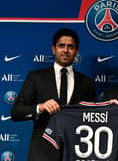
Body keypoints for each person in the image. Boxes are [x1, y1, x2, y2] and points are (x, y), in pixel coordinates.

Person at [11, 28, 96, 161]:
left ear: (76, 51)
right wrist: (40, 107)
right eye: (61, 46)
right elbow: (16, 112)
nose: (66, 50)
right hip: (42, 153)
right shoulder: (35, 78)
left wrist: (109, 107)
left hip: (76, 152)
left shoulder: (87, 83)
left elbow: (92, 117)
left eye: (70, 47)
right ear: (53, 49)